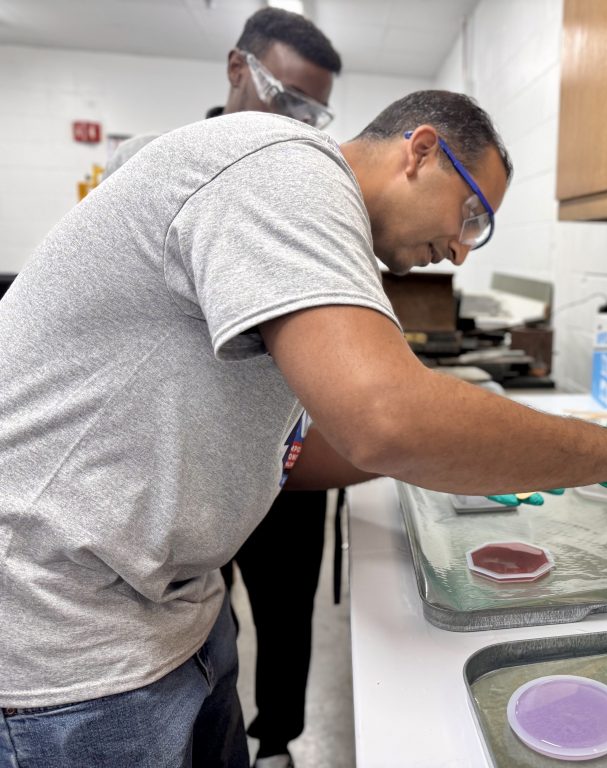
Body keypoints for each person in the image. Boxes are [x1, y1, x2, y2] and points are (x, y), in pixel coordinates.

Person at [0, 89, 607, 767]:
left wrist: (474, 458)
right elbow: (386, 418)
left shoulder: (309, 213)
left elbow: (296, 452)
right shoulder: (284, 170)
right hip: (63, 635)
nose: (460, 250)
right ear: (419, 150)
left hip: (168, 615)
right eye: (472, 215)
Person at [106, 10, 343, 768]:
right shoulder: (156, 165)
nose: (296, 122)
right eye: (285, 95)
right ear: (238, 67)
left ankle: (275, 741)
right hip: (198, 455)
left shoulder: (312, 180)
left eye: (312, 110)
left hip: (288, 451)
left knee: (285, 610)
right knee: (203, 612)